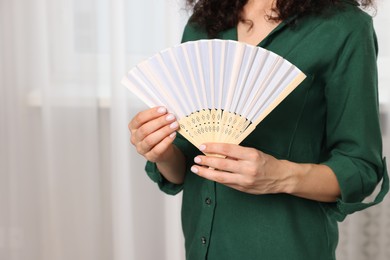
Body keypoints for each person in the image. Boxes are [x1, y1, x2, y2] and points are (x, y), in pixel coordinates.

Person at [128, 0, 389, 259]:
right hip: (202, 247)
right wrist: (161, 152)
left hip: (287, 247)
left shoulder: (344, 27)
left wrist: (280, 175)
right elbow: (186, 167)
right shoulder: (204, 23)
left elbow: (361, 166)